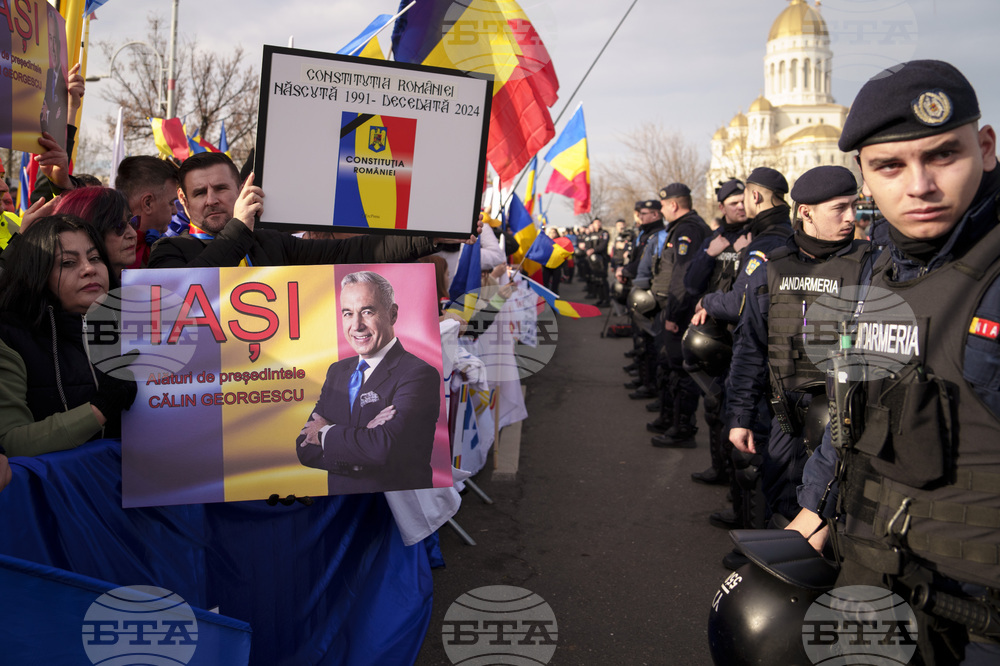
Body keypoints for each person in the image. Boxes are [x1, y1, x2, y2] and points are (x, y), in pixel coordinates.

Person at [785, 60, 1000, 665]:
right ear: (865, 179)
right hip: (874, 585)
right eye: (890, 166)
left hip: (975, 623)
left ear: (984, 148)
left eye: (942, 156)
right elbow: (855, 413)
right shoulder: (884, 270)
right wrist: (814, 507)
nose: (920, 186)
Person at [726, 166, 871, 560]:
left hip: (844, 423)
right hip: (786, 419)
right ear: (805, 211)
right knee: (782, 509)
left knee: (837, 526)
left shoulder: (871, 266)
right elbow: (750, 348)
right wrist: (739, 415)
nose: (851, 217)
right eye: (839, 208)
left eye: (853, 206)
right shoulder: (772, 266)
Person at [149, 152, 475, 269]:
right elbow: (190, 290)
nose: (211, 199)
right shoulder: (169, 251)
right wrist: (239, 228)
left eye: (221, 188)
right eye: (199, 192)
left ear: (241, 189)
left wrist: (431, 234)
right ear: (182, 198)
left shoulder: (272, 243)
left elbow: (354, 251)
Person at [0, 215, 137, 456]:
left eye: (95, 258)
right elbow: (12, 441)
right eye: (67, 263)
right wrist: (100, 409)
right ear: (37, 274)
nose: (89, 269)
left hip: (141, 488)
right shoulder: (10, 339)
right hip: (61, 491)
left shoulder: (141, 324)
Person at [296, 271, 441, 494]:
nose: (356, 325)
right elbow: (304, 447)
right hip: (341, 509)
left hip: (392, 513)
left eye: (367, 311)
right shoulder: (337, 371)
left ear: (392, 314)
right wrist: (363, 442)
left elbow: (381, 448)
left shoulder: (418, 374)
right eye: (347, 313)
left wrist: (325, 434)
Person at [678, 179, 748, 485]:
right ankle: (719, 469)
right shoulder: (715, 238)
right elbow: (691, 283)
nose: (741, 207)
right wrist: (709, 254)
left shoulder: (757, 239)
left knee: (739, 411)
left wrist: (746, 254)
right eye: (734, 203)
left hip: (744, 335)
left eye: (744, 201)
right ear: (722, 207)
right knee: (714, 404)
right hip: (716, 338)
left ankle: (738, 486)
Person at [636, 183, 710, 448]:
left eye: (664, 205)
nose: (662, 210)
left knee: (680, 371)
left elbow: (684, 277)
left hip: (680, 311)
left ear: (674, 205)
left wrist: (676, 315)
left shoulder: (689, 229)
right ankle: (670, 419)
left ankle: (683, 428)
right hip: (673, 308)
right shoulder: (681, 228)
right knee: (669, 367)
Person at [53, 187, 136, 277]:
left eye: (133, 222)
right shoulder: (84, 289)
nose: (133, 234)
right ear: (91, 231)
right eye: (118, 226)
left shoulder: (142, 286)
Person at [115, 156, 180, 269]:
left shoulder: (166, 248)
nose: (175, 211)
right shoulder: (110, 256)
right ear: (148, 203)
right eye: (171, 203)